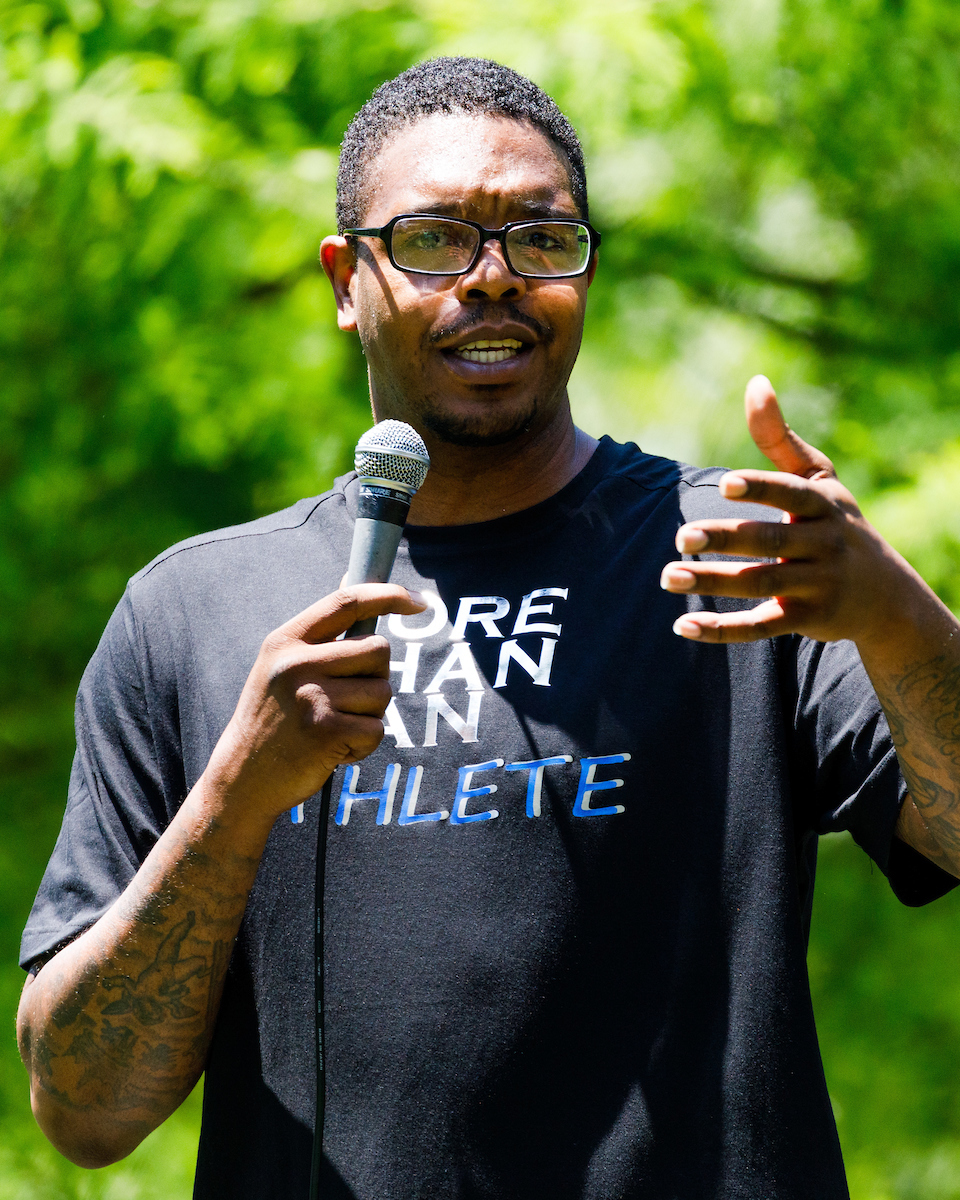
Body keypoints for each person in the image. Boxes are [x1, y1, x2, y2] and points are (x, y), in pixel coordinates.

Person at [16, 56, 960, 1199]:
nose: (495, 277)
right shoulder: (194, 609)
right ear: (346, 280)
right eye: (434, 241)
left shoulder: (743, 556)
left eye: (542, 241)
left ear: (585, 272)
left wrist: (898, 619)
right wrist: (237, 793)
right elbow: (86, 1109)